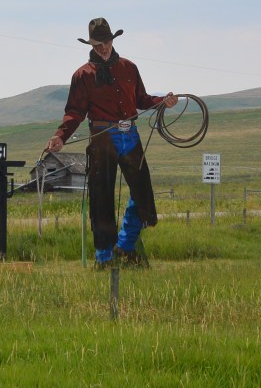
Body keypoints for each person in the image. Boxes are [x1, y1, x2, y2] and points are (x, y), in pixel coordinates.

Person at [46, 18, 177, 268]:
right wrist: (61, 136)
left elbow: (141, 99)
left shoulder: (129, 68)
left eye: (105, 42)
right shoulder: (82, 75)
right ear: (91, 45)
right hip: (102, 138)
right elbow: (74, 112)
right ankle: (103, 258)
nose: (103, 48)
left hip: (131, 135)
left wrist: (162, 101)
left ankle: (125, 245)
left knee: (143, 192)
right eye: (97, 45)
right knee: (101, 198)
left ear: (112, 40)